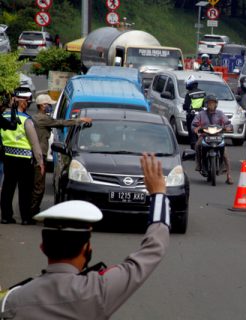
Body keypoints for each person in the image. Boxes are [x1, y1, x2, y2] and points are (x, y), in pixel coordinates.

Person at [0, 153, 170, 319]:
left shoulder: (12, 300)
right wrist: (158, 194)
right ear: (86, 248)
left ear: (43, 247)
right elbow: (153, 248)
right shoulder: (98, 290)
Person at [31, 94, 93, 215]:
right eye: (49, 105)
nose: (50, 107)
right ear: (42, 106)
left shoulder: (36, 117)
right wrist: (80, 120)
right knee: (38, 187)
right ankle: (32, 212)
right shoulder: (42, 118)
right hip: (39, 156)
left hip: (34, 154)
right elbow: (60, 122)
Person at [0, 91, 44, 225]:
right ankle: (26, 218)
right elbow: (34, 143)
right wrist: (40, 161)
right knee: (25, 189)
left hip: (8, 156)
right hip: (24, 158)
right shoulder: (26, 119)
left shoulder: (3, 116)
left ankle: (6, 216)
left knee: (8, 187)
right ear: (23, 103)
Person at [192, 94, 234, 184]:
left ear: (216, 104)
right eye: (209, 103)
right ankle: (199, 165)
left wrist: (228, 127)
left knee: (225, 154)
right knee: (197, 145)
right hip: (204, 135)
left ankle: (229, 176)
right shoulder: (201, 114)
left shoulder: (220, 113)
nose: (211, 105)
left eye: (213, 103)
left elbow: (227, 123)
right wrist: (196, 128)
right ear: (206, 104)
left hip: (218, 135)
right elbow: (194, 124)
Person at [183, 75, 206, 149]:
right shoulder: (203, 92)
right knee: (202, 132)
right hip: (201, 115)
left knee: (192, 133)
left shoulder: (189, 94)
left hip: (192, 116)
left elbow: (186, 106)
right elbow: (204, 104)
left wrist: (184, 107)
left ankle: (194, 150)